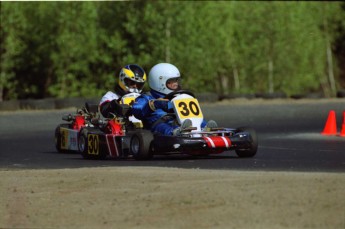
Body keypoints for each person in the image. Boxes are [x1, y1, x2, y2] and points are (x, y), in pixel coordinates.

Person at [131, 63, 217, 136]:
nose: (176, 84)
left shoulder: (177, 96)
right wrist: (155, 104)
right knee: (161, 125)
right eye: (171, 81)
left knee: (196, 119)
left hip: (180, 121)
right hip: (157, 123)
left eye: (176, 80)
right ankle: (175, 133)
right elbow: (136, 110)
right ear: (159, 82)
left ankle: (205, 130)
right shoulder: (147, 97)